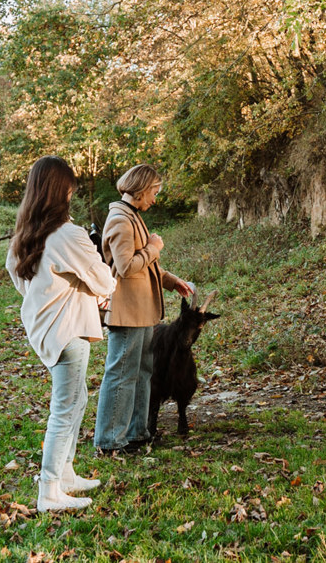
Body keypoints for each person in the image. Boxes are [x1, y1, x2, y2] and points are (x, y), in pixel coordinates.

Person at [7, 156, 117, 512]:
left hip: (46, 328)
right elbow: (105, 280)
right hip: (68, 330)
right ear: (60, 190)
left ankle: (66, 473)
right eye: (69, 186)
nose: (72, 192)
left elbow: (18, 277)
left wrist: (48, 295)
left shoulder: (27, 233)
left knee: (77, 400)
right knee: (65, 408)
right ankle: (49, 490)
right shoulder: (68, 234)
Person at [95, 164, 194, 454]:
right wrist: (153, 248)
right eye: (153, 192)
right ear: (139, 189)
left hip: (143, 312)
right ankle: (109, 442)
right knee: (121, 374)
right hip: (127, 313)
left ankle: (138, 433)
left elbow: (146, 266)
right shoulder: (120, 219)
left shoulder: (134, 217)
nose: (155, 198)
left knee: (142, 372)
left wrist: (171, 281)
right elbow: (126, 267)